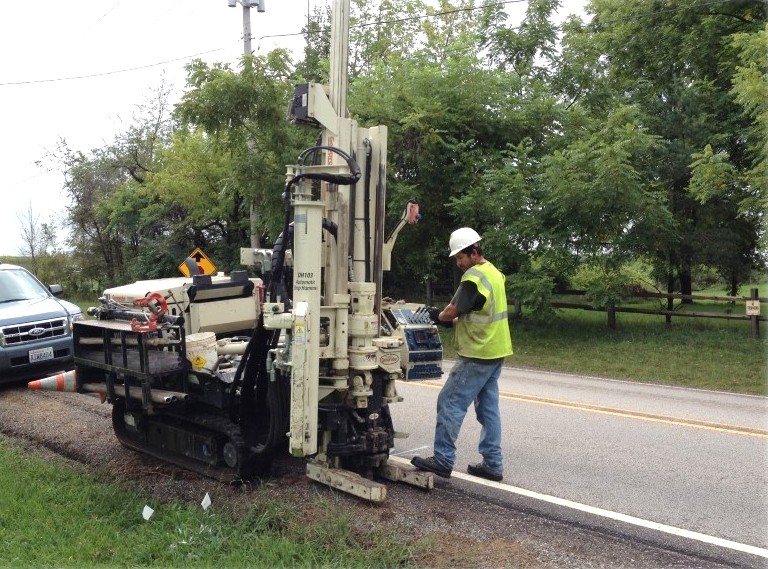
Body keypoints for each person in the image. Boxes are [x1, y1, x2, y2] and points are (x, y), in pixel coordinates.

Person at [411, 227, 513, 482]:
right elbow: (477, 311)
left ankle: (443, 460)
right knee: (488, 410)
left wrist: (436, 315)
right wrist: (453, 319)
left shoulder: (474, 278)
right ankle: (493, 464)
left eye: (461, 257)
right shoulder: (495, 273)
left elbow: (451, 312)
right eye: (456, 259)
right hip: (496, 350)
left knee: (449, 402)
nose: (458, 263)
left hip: (477, 353)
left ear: (475, 252)